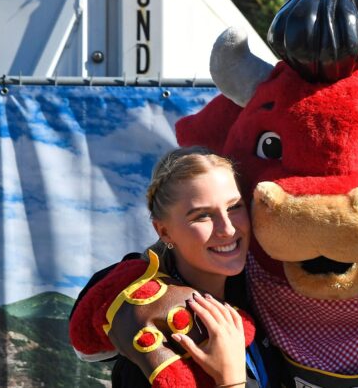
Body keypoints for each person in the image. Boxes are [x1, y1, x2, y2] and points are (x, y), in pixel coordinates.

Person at [69, 146, 268, 388]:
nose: (227, 228)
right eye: (202, 215)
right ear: (163, 231)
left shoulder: (259, 295)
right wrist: (230, 381)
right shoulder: (155, 337)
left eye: (233, 207)